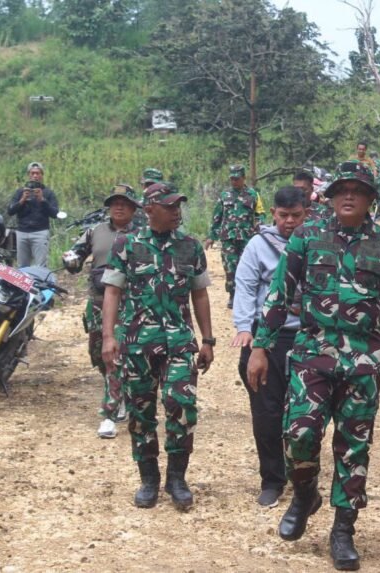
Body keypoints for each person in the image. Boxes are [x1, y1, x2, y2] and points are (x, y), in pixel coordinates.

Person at [247, 161, 380, 571]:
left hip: (362, 362)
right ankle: (305, 494)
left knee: (353, 447)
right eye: (342, 189)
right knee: (299, 434)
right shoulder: (306, 237)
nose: (349, 196)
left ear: (371, 198)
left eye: (358, 190)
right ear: (329, 195)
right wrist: (260, 346)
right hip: (311, 355)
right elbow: (279, 293)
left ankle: (343, 530)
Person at [100, 182, 215, 511]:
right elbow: (112, 292)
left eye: (179, 204)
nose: (177, 210)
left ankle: (177, 478)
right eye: (170, 205)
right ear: (150, 209)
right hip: (137, 344)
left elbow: (200, 294)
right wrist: (109, 337)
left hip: (179, 342)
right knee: (141, 412)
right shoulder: (127, 245)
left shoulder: (190, 247)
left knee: (181, 405)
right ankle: (148, 478)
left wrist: (207, 340)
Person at [231, 186, 307, 508]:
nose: (289, 222)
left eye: (296, 215)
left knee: (305, 414)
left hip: (307, 337)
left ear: (307, 214)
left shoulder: (316, 244)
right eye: (283, 215)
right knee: (266, 413)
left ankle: (305, 477)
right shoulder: (257, 246)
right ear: (273, 214)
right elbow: (246, 287)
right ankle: (272, 480)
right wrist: (245, 328)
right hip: (267, 339)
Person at [62, 185, 142, 439]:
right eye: (114, 202)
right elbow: (75, 254)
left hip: (128, 302)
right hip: (98, 300)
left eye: (124, 203)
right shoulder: (94, 231)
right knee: (98, 352)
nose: (118, 207)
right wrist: (71, 259)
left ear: (133, 208)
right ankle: (118, 390)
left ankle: (111, 408)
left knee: (116, 355)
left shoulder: (142, 235)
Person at [204, 164, 266, 309]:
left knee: (247, 267)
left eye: (237, 179)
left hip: (247, 237)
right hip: (228, 238)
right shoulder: (225, 196)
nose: (234, 182)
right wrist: (211, 236)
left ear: (244, 178)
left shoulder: (253, 195)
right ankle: (232, 294)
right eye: (232, 179)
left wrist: (260, 227)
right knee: (230, 267)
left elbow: (260, 214)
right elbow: (217, 217)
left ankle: (247, 295)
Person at [7, 161, 60, 267]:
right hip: (22, 233)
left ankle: (40, 283)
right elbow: (10, 211)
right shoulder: (20, 192)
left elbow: (55, 214)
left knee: (41, 266)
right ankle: (23, 284)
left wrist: (43, 200)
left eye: (38, 173)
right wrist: (22, 200)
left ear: (42, 175)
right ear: (28, 175)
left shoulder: (48, 193)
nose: (35, 176)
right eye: (32, 173)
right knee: (22, 266)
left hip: (40, 233)